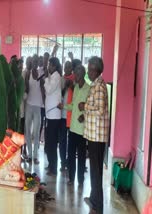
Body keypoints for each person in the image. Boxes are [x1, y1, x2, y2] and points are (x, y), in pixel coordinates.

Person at [79, 56, 109, 214]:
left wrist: (85, 107)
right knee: (94, 170)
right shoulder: (96, 84)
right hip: (93, 134)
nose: (88, 72)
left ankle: (98, 207)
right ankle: (93, 199)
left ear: (96, 70)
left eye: (90, 69)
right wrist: (86, 111)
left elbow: (100, 109)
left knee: (96, 172)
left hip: (97, 136)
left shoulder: (100, 86)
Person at [58, 64, 90, 186]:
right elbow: (72, 105)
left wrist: (85, 115)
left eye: (76, 74)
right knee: (70, 155)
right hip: (72, 128)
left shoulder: (88, 89)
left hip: (82, 130)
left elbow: (91, 108)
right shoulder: (75, 88)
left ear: (82, 74)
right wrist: (63, 106)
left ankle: (80, 180)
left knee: (81, 156)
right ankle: (71, 178)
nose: (74, 76)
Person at [24, 54, 44, 164]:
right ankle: (29, 155)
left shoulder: (41, 73)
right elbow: (26, 89)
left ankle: (35, 156)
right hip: (29, 105)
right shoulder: (28, 73)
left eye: (37, 61)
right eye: (34, 60)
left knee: (36, 132)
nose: (35, 62)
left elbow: (43, 88)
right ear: (31, 62)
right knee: (27, 131)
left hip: (37, 106)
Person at [44, 57, 62, 176]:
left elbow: (49, 90)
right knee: (49, 142)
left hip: (54, 115)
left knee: (52, 143)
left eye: (49, 65)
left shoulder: (56, 76)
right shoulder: (53, 76)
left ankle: (54, 168)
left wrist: (45, 79)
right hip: (50, 114)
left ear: (54, 66)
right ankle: (51, 165)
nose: (48, 67)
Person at [59, 61, 74, 171]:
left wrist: (71, 86)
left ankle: (69, 161)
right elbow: (59, 94)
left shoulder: (75, 80)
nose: (67, 69)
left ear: (72, 68)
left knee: (71, 141)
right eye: (66, 67)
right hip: (62, 116)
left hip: (72, 116)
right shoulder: (61, 79)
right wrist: (65, 87)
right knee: (62, 140)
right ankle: (63, 162)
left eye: (69, 67)